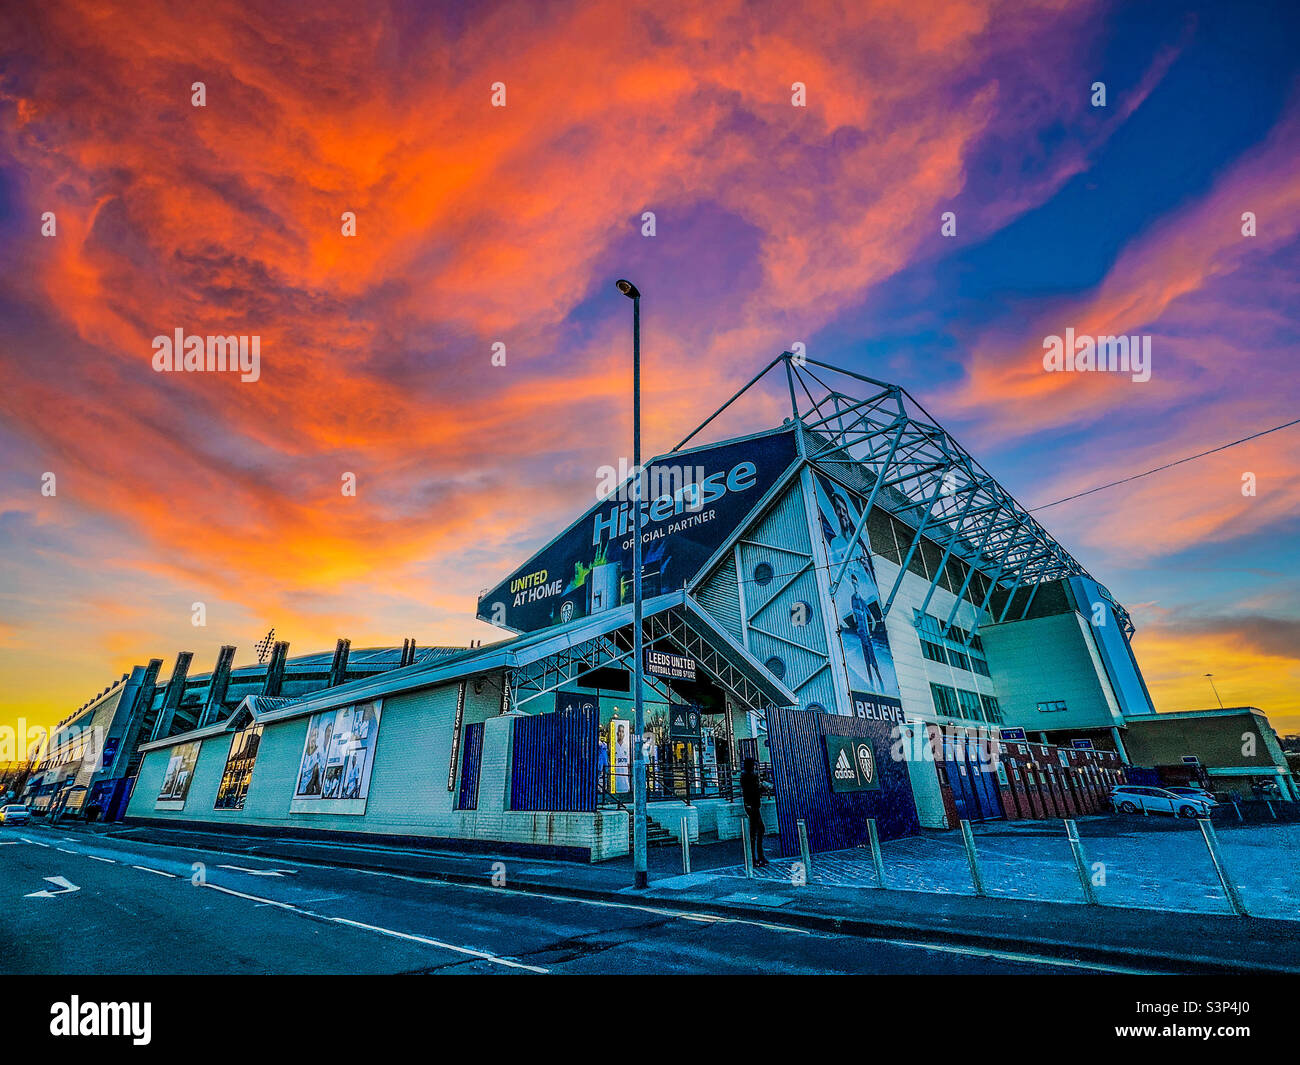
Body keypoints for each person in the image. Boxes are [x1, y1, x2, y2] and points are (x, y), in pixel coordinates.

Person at [739, 757, 771, 866]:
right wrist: (763, 787)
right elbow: (753, 790)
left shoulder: (746, 775)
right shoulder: (750, 776)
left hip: (751, 805)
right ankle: (755, 857)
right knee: (757, 830)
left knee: (757, 830)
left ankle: (757, 856)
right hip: (753, 805)